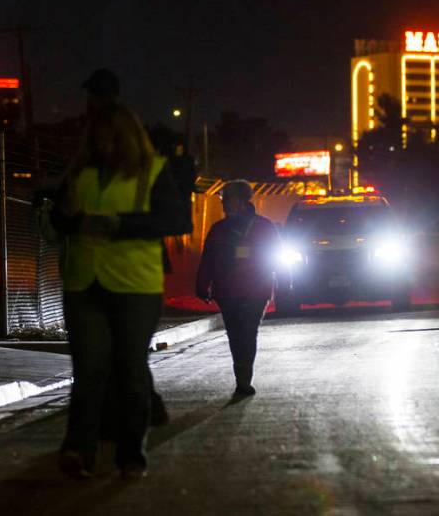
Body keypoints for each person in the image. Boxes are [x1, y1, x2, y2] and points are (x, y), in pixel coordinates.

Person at [51, 103, 185, 480]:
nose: (104, 147)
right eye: (96, 140)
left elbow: (176, 219)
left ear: (127, 139)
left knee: (129, 370)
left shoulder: (153, 171)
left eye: (110, 139)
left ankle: (131, 454)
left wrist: (120, 224)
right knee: (89, 371)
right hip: (84, 283)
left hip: (135, 286)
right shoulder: (80, 172)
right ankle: (78, 450)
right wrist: (68, 215)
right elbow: (59, 218)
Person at [195, 180, 280, 397]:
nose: (223, 204)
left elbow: (276, 257)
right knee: (235, 335)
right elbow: (208, 260)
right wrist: (202, 286)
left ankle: (244, 380)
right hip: (228, 292)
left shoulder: (264, 227)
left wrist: (284, 282)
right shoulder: (218, 230)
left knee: (248, 333)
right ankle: (241, 377)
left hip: (256, 290)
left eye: (227, 199)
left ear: (242, 201)